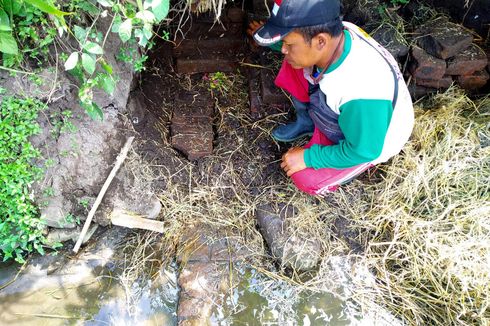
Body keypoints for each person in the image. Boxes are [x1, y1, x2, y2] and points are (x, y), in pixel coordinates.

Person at [251, 0, 414, 196]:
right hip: (351, 113)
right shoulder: (337, 33)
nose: (284, 49)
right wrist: (274, 40)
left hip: (367, 139)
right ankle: (308, 123)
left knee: (305, 178)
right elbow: (300, 46)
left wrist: (309, 157)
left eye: (289, 43)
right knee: (292, 63)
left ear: (320, 41)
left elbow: (364, 150)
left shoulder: (362, 91)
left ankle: (329, 148)